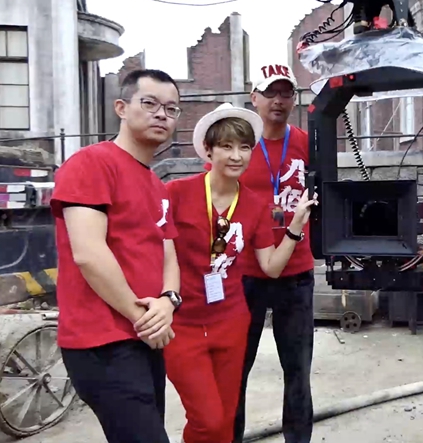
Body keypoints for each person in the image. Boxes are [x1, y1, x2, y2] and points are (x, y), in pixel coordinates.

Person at [163, 103, 317, 443]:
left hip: (230, 320)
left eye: (244, 147)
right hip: (185, 322)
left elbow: (271, 267)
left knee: (225, 418)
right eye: (227, 146)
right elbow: (157, 250)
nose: (236, 156)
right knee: (207, 419)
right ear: (208, 150)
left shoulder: (254, 205)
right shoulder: (176, 194)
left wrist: (294, 226)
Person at [50, 69, 184, 443]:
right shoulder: (91, 163)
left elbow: (168, 253)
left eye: (171, 109)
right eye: (150, 103)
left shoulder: (157, 185)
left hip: (145, 338)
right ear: (121, 108)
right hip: (103, 342)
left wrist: (169, 301)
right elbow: (89, 253)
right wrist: (142, 317)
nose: (162, 114)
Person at [233, 64, 316, 443]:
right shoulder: (239, 146)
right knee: (236, 367)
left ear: (294, 100)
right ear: (254, 98)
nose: (278, 101)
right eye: (270, 93)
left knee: (297, 370)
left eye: (286, 93)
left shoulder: (308, 143)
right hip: (245, 274)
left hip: (295, 273)